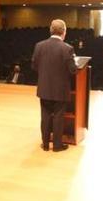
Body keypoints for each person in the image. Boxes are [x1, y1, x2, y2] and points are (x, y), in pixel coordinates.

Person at [31, 19, 76, 152]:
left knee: (45, 116)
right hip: (60, 90)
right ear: (64, 32)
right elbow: (72, 70)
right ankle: (57, 145)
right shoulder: (67, 48)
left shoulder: (39, 46)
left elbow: (34, 66)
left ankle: (45, 144)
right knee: (58, 117)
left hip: (44, 88)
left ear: (50, 30)